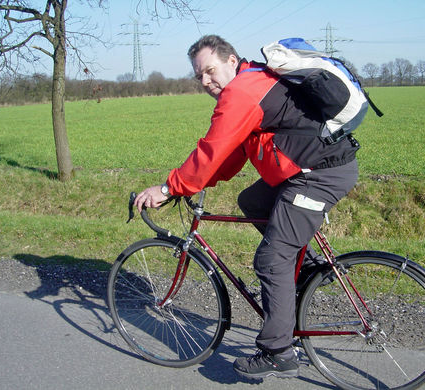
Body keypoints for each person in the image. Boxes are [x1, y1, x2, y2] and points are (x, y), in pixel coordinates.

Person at [134, 35, 359, 379]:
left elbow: (212, 149)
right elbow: (228, 155)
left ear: (231, 60)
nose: (205, 82)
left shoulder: (242, 90)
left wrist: (169, 187)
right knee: (251, 201)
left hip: (320, 174)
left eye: (209, 71)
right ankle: (310, 269)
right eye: (199, 77)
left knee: (272, 259)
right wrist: (192, 183)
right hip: (309, 169)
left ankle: (277, 352)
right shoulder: (252, 81)